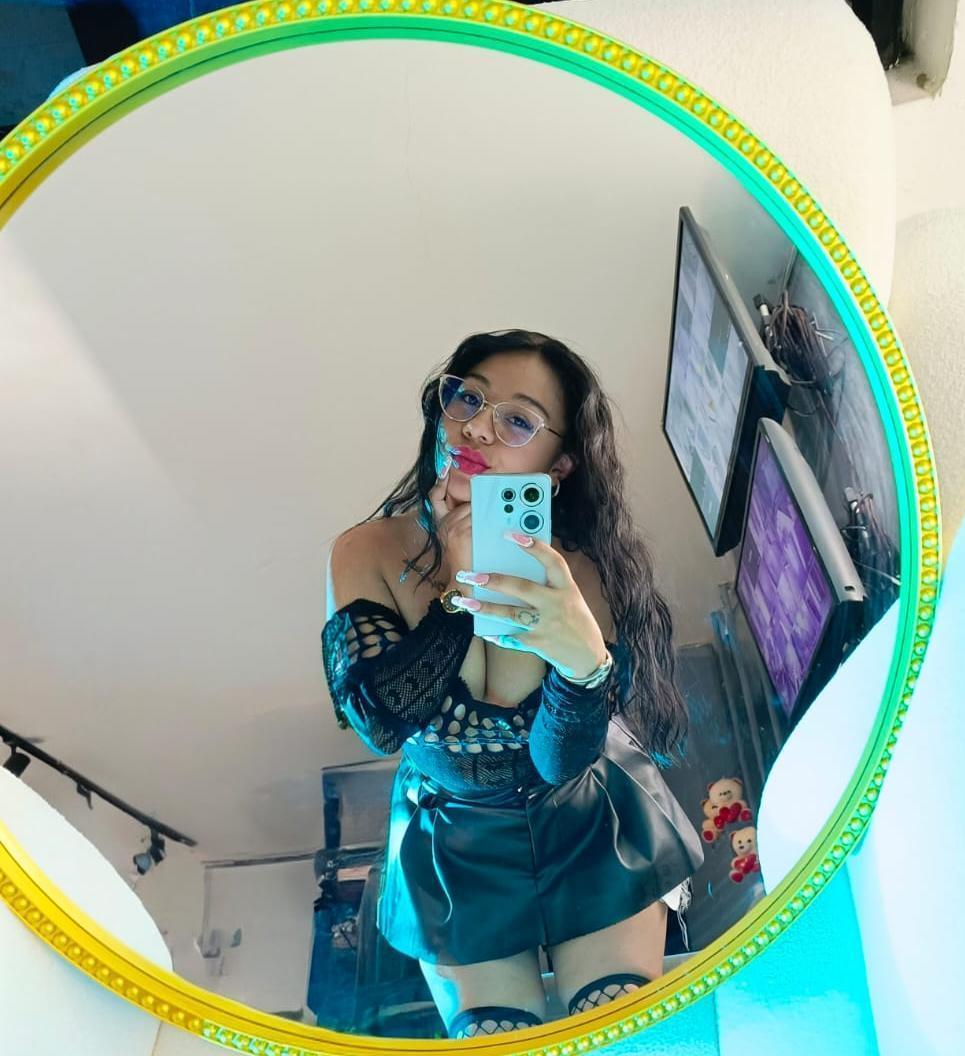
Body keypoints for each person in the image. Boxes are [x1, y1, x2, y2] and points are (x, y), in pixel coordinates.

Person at [322, 329, 704, 1039]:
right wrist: (452, 591)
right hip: (453, 843)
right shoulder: (368, 550)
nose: (477, 427)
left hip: (590, 819)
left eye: (518, 420)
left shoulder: (584, 572)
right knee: (494, 1036)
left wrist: (583, 660)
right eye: (467, 398)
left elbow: (559, 760)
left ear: (557, 467)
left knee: (615, 1030)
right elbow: (381, 722)